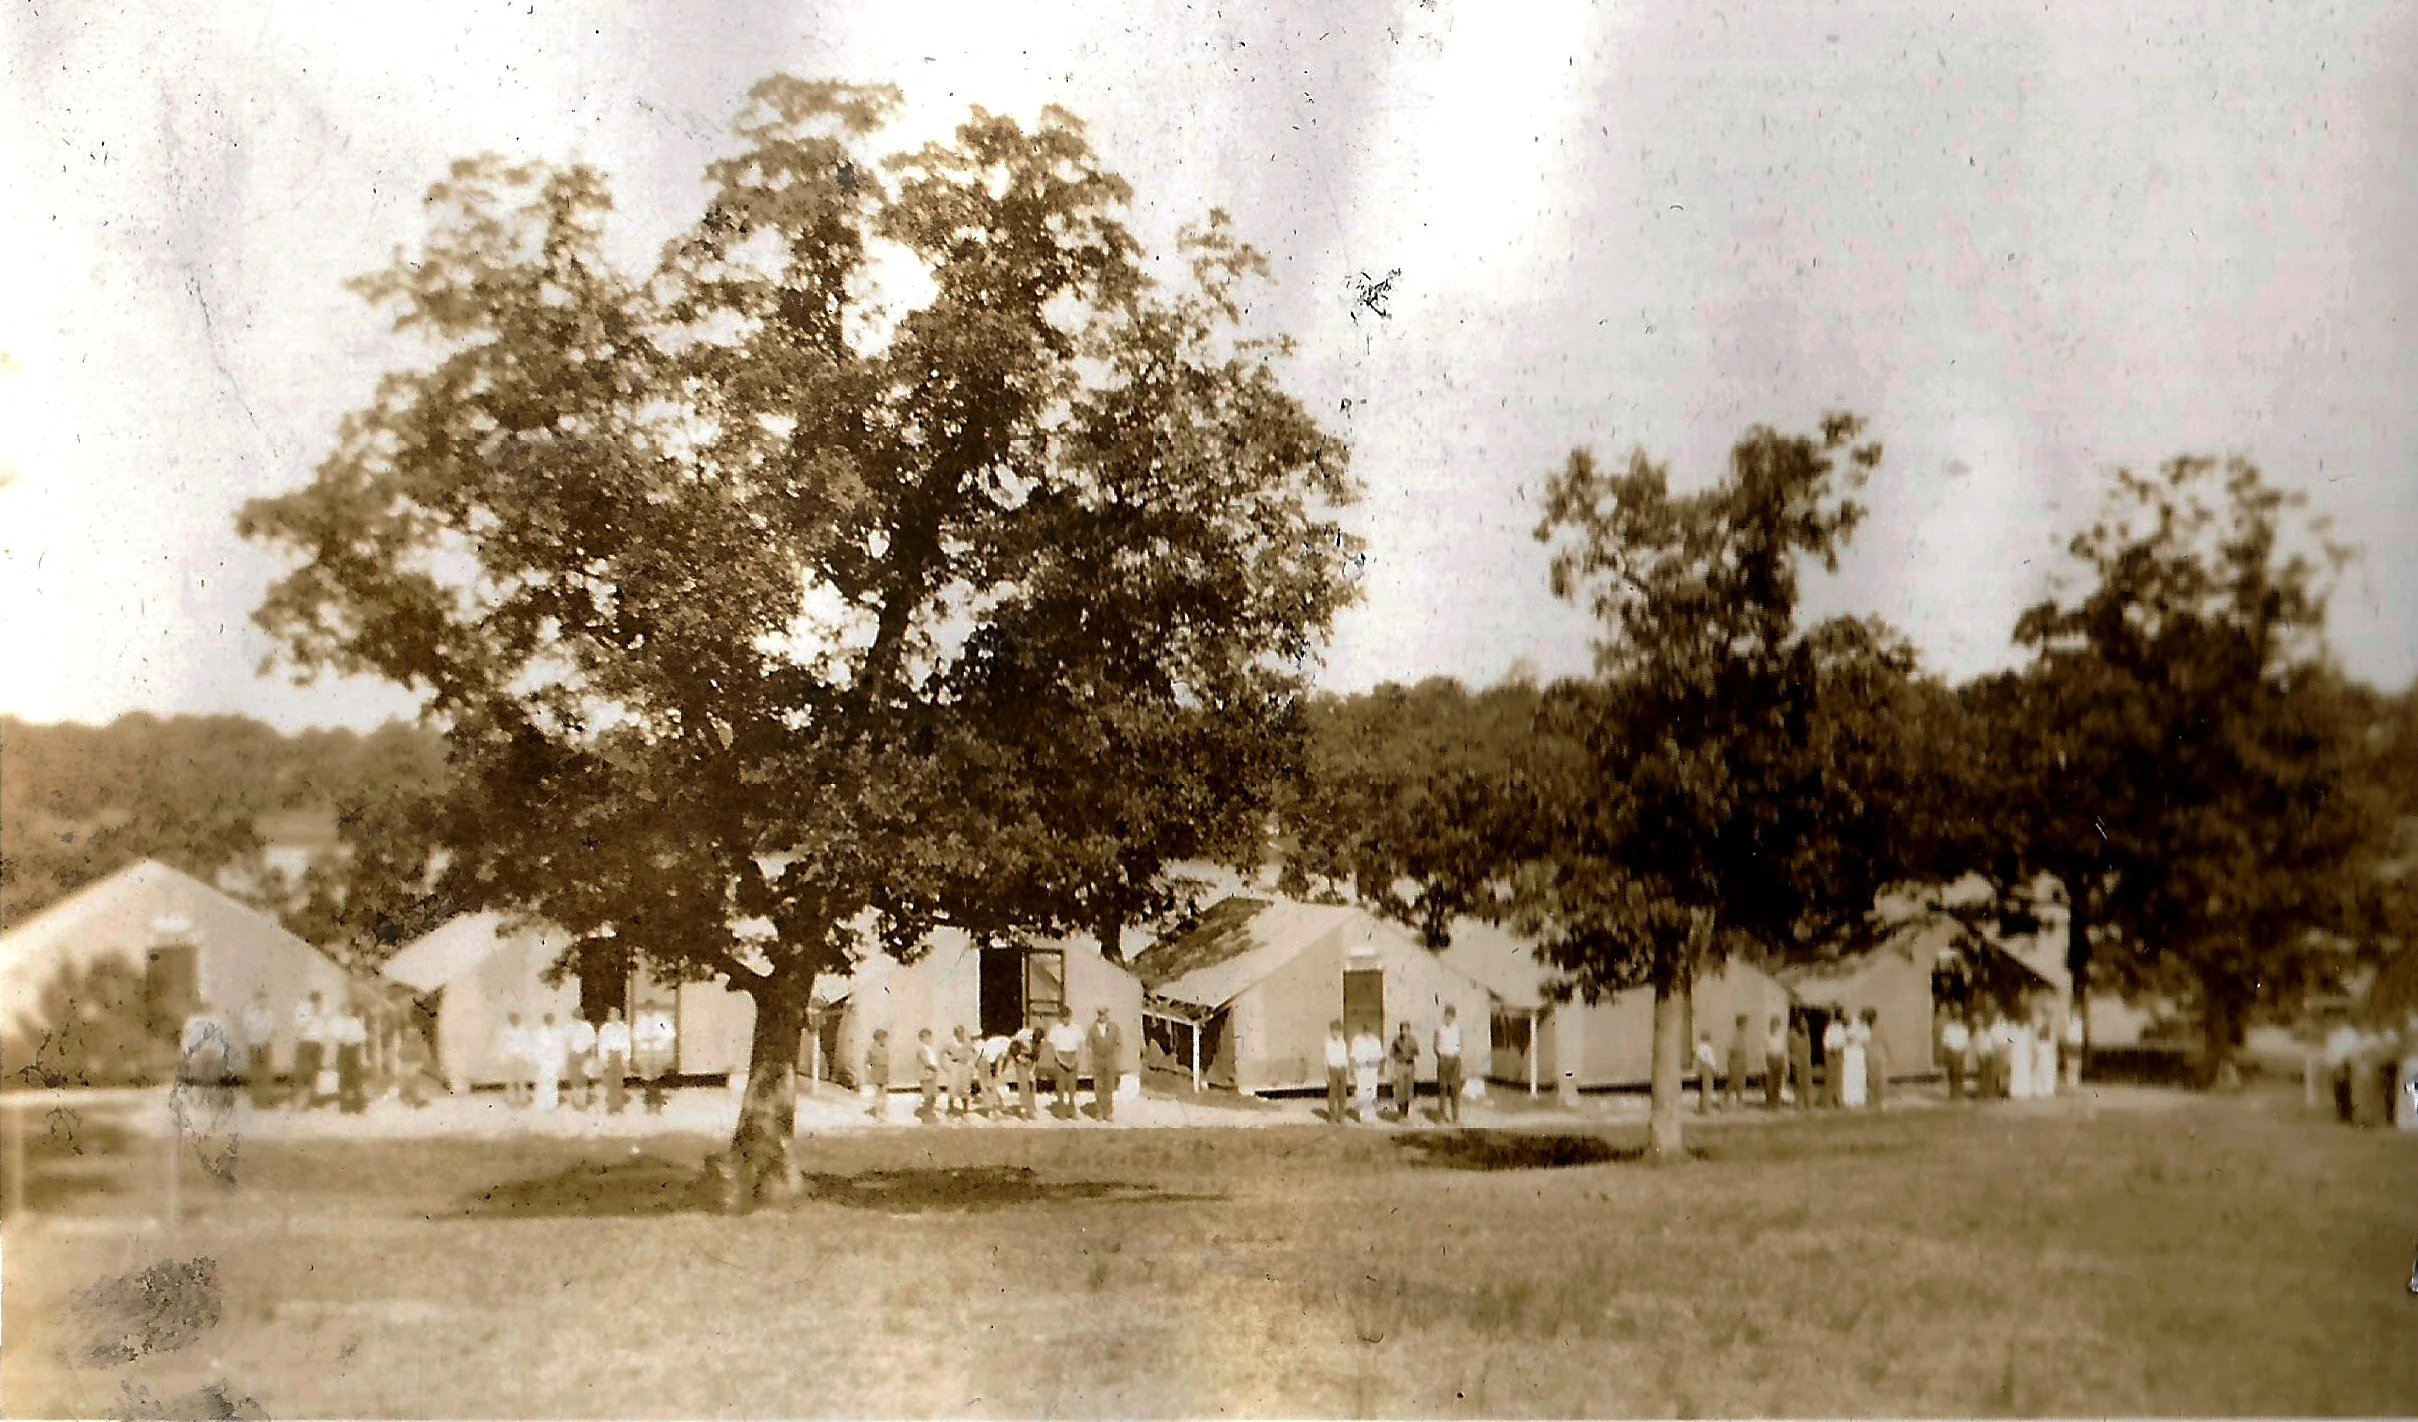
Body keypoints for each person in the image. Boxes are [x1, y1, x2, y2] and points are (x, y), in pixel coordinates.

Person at [237, 991, 278, 1109]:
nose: (262, 1003)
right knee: (255, 1073)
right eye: (260, 1000)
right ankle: (256, 1100)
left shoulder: (270, 1014)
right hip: (254, 1045)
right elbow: (246, 1029)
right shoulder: (249, 1014)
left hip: (265, 1045)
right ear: (255, 1001)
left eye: (264, 1000)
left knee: (266, 1073)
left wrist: (265, 1036)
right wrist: (258, 1035)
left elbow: (273, 1031)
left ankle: (266, 1100)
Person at [634, 1002, 676, 1113]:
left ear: (654, 1008)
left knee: (656, 1075)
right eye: (647, 1009)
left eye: (651, 1009)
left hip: (658, 1050)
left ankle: (657, 1101)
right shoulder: (641, 1021)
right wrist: (645, 1041)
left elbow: (670, 1033)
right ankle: (649, 1101)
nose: (649, 1011)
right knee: (646, 1076)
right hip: (645, 1050)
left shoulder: (661, 1020)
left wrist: (659, 1040)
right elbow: (636, 1035)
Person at [1046, 1008, 1086, 1121]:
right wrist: (1061, 1060)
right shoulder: (1055, 1029)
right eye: (1063, 1017)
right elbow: (1053, 1048)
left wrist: (1075, 1060)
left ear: (1070, 1016)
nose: (1065, 1019)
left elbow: (1080, 1046)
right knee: (1060, 1086)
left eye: (1067, 1017)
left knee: (1072, 1086)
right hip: (1060, 1056)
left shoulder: (1076, 1029)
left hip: (1072, 1055)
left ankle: (1072, 1111)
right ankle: (1061, 1112)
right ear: (1060, 1018)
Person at [292, 991, 330, 1110]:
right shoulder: (302, 1009)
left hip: (318, 1044)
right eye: (315, 1001)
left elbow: (324, 1028)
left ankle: (312, 1100)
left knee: (315, 1073)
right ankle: (298, 1102)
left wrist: (324, 1043)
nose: (318, 1004)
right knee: (303, 1073)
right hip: (305, 1043)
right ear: (310, 1001)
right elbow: (298, 1025)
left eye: (319, 1001)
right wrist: (311, 1015)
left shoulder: (323, 1011)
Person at [332, 1001, 370, 1114]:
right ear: (342, 1010)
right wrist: (347, 1038)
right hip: (343, 1051)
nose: (348, 1012)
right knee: (344, 1078)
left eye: (349, 1009)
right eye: (345, 1009)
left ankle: (358, 1106)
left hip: (354, 1051)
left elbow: (362, 1036)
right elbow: (336, 1035)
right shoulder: (337, 1022)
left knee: (356, 1078)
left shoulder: (355, 1022)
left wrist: (352, 1039)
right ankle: (344, 1106)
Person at [1087, 1007, 1124, 1122]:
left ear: (1107, 1014)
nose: (1101, 1016)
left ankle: (1108, 1112)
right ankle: (1099, 1112)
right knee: (1098, 1086)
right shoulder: (1093, 1028)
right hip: (1097, 1060)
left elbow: (1119, 1043)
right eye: (1099, 1014)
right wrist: (1091, 1060)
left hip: (1110, 1059)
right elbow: (1088, 1045)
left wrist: (1115, 1057)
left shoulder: (1113, 1027)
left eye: (1103, 1014)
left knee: (1109, 1086)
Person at [596, 1007, 632, 1114]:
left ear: (619, 1016)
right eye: (611, 1014)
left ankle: (619, 1106)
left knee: (619, 1081)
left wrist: (626, 1058)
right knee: (610, 1082)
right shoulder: (604, 1028)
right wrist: (603, 1059)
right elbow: (601, 1045)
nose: (613, 1016)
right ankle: (611, 1106)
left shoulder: (624, 1028)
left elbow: (627, 1044)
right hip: (609, 1055)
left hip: (619, 1054)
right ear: (608, 1016)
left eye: (616, 1014)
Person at [1432, 1006, 1464, 1125]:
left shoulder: (1458, 1029)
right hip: (1443, 1059)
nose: (1448, 1018)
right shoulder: (1439, 1029)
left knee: (1455, 1089)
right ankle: (1441, 1117)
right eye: (1446, 1015)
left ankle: (1456, 1118)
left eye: (1451, 1016)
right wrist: (1441, 1057)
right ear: (1444, 1016)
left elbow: (1461, 1043)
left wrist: (1455, 1055)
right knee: (1442, 1088)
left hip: (1454, 1060)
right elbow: (1435, 1046)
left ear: (1454, 1017)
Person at [531, 1012, 568, 1113]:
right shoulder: (539, 1033)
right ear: (545, 1020)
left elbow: (561, 1048)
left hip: (553, 1061)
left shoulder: (558, 1032)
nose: (549, 1022)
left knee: (552, 1082)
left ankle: (552, 1104)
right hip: (543, 1061)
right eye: (547, 1019)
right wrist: (538, 1059)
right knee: (543, 1082)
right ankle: (542, 1104)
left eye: (551, 1020)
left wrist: (560, 1061)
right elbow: (536, 1048)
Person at [1349, 1023, 1384, 1125]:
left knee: (1372, 1091)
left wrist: (1376, 1064)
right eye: (1366, 1030)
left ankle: (1371, 1116)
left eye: (1369, 1030)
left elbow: (1380, 1056)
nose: (1367, 1032)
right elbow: (1352, 1056)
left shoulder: (1375, 1041)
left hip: (1372, 1069)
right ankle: (1363, 1116)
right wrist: (1353, 1069)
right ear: (1363, 1030)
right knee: (1362, 1092)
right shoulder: (1357, 1040)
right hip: (1361, 1069)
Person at [1387, 1021, 1420, 1124]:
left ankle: (1406, 1114)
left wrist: (1412, 1053)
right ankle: (1400, 1114)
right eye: (1402, 1029)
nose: (1404, 1032)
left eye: (1406, 1029)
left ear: (1409, 1030)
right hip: (1400, 1065)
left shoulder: (1412, 1040)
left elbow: (1417, 1052)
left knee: (1408, 1089)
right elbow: (1391, 1054)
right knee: (1399, 1089)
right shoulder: (1396, 1040)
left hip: (1409, 1065)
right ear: (1400, 1030)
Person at [565, 1013, 600, 1111]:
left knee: (582, 1079)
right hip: (572, 1055)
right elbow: (567, 1042)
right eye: (575, 1017)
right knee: (574, 1078)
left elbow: (593, 1043)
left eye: (579, 1017)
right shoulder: (569, 1027)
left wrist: (593, 1057)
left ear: (582, 1016)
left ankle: (582, 1102)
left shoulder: (588, 1027)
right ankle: (576, 1101)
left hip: (584, 1055)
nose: (577, 1019)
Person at [977, 1031, 1014, 1118]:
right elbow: (999, 1068)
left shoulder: (1007, 1042)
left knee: (992, 1087)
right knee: (987, 1086)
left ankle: (997, 1108)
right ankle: (991, 1111)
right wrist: (998, 1076)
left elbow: (1004, 1062)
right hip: (984, 1060)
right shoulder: (1005, 1048)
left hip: (990, 1059)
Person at [943, 1026, 977, 1118]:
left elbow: (976, 1052)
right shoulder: (950, 1043)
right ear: (955, 1034)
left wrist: (972, 1063)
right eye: (958, 1033)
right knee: (952, 1087)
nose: (960, 1035)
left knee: (965, 1088)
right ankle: (951, 1110)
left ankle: (965, 1111)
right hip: (955, 1065)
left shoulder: (968, 1042)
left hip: (965, 1066)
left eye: (961, 1032)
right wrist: (945, 1066)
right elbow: (942, 1053)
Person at [1007, 1027, 1040, 1120]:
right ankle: (1023, 1110)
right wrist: (1018, 1057)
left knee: (1032, 1084)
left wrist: (1032, 1071)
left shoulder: (1038, 1043)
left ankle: (1030, 1110)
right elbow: (1012, 1047)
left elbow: (1036, 1057)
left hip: (1030, 1060)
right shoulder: (1022, 1035)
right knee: (1023, 1085)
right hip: (1020, 1059)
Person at [1841, 1010, 1870, 1110]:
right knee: (1849, 1075)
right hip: (1849, 1052)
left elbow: (1866, 1038)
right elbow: (1846, 1035)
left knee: (1859, 1075)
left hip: (1859, 1052)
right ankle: (1848, 1098)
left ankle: (1859, 1098)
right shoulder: (1852, 1022)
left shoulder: (1865, 1027)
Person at [1821, 1011, 1850, 1108]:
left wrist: (1839, 1047)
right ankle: (1828, 1100)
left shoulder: (1841, 1029)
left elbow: (1844, 1040)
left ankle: (1838, 1099)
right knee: (1830, 1077)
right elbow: (1826, 1041)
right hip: (1830, 1053)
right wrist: (1831, 1048)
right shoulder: (1830, 1028)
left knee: (1838, 1077)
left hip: (1839, 1053)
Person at [1324, 1020, 1351, 1124]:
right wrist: (1326, 1074)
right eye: (1334, 1031)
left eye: (1338, 1031)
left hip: (1342, 1070)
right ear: (1331, 1031)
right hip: (1332, 1070)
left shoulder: (1342, 1043)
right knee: (1332, 1093)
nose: (1336, 1033)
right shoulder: (1328, 1043)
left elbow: (1345, 1058)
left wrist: (1347, 1072)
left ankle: (1341, 1116)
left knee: (1342, 1094)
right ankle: (1331, 1116)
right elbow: (1326, 1059)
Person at [863, 1028, 893, 1120]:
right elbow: (867, 1061)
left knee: (883, 1091)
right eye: (884, 1038)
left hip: (884, 1070)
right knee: (878, 1090)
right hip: (876, 1069)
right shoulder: (872, 1049)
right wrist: (869, 1071)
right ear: (879, 1038)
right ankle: (878, 1109)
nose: (885, 1040)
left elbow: (887, 1060)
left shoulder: (885, 1048)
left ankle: (882, 1109)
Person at [1862, 1007, 1888, 1109]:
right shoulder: (1877, 1029)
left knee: (1872, 1078)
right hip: (1878, 1054)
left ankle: (1874, 1100)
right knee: (1879, 1078)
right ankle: (1878, 1100)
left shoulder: (1866, 1030)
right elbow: (1885, 1042)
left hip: (1871, 1054)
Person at [1941, 1013, 1971, 1101]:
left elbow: (1966, 1041)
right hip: (1952, 1052)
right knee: (1952, 1073)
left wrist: (1964, 1052)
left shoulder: (1964, 1029)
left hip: (1960, 1052)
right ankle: (1953, 1093)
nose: (1958, 1020)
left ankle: (1959, 1092)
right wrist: (1947, 1052)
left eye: (1959, 1018)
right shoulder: (1949, 1028)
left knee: (1960, 1073)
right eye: (1956, 1018)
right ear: (1953, 1019)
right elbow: (1945, 1041)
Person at [1725, 1013, 1753, 1110]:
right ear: (1741, 1024)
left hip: (1741, 1061)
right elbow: (1730, 1050)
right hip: (1735, 1061)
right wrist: (1732, 1063)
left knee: (1741, 1082)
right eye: (1745, 1023)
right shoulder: (1734, 1035)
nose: (1747, 1026)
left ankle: (1739, 1102)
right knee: (1733, 1081)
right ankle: (1725, 1101)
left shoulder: (1743, 1035)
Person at [915, 1028, 943, 1122]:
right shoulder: (921, 1049)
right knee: (928, 1096)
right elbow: (926, 1062)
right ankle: (926, 1115)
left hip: (932, 1074)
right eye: (928, 1037)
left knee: (933, 1095)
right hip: (926, 1074)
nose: (930, 1039)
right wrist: (934, 1067)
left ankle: (930, 1112)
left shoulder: (929, 1049)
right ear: (923, 1038)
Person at [1786, 1015, 1814, 1109]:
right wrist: (1792, 1058)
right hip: (1796, 1060)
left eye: (1805, 1023)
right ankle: (1799, 1103)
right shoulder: (1792, 1034)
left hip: (1806, 1060)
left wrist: (1808, 1060)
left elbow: (1808, 1047)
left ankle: (1809, 1103)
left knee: (1807, 1082)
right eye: (1803, 1023)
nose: (1805, 1025)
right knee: (1798, 1082)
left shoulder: (1806, 1034)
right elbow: (1788, 1048)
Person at [1762, 1015, 1787, 1109]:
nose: (1774, 1027)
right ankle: (1769, 1102)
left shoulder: (1781, 1036)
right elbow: (1764, 1050)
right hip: (1770, 1059)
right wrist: (1764, 1063)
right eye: (1772, 1025)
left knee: (1778, 1082)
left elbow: (1784, 1050)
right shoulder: (1767, 1036)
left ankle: (1776, 1103)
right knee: (1770, 1083)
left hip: (1779, 1059)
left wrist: (1784, 1062)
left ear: (1779, 1026)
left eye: (1776, 1025)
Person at [1694, 1030, 1721, 1114]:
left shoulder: (1699, 1047)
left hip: (1700, 1068)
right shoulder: (1707, 1048)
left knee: (1702, 1089)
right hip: (1707, 1068)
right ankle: (1706, 1109)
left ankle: (1701, 1108)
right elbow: (1710, 1060)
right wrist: (1715, 1070)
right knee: (1707, 1088)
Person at [2062, 1009, 2085, 1091]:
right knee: (2070, 1061)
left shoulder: (2079, 1022)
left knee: (2075, 1062)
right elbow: (2067, 1033)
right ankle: (2070, 1079)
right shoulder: (2070, 1022)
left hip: (2075, 1043)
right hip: (2071, 1043)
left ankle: (2074, 1080)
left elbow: (2080, 1033)